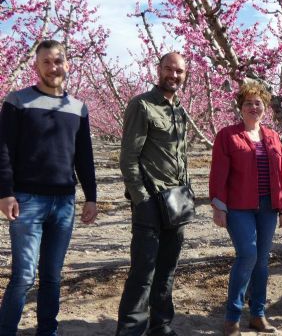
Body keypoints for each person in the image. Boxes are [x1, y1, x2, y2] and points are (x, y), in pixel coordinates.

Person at [0, 39, 98, 335]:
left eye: (58, 61)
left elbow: (84, 156)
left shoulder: (78, 108)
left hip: (64, 202)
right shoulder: (17, 101)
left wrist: (91, 197)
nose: (53, 67)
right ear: (37, 66)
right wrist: (5, 192)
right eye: (46, 62)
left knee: (53, 275)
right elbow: (3, 149)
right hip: (27, 200)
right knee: (24, 275)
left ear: (67, 65)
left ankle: (47, 330)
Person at [116, 52, 191, 336]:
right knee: (143, 273)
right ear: (158, 70)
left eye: (179, 71)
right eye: (169, 69)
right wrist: (140, 198)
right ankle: (131, 330)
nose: (174, 75)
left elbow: (180, 157)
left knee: (167, 271)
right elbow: (128, 157)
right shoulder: (142, 105)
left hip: (177, 202)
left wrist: (188, 192)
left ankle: (161, 326)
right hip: (150, 201)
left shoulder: (180, 110)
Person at [209, 81, 282, 336]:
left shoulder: (272, 136)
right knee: (248, 255)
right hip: (238, 207)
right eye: (248, 103)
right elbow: (219, 173)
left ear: (265, 108)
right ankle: (232, 318)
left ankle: (257, 315)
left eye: (258, 103)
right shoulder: (227, 135)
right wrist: (218, 206)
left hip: (268, 206)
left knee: (262, 262)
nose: (253, 107)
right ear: (240, 108)